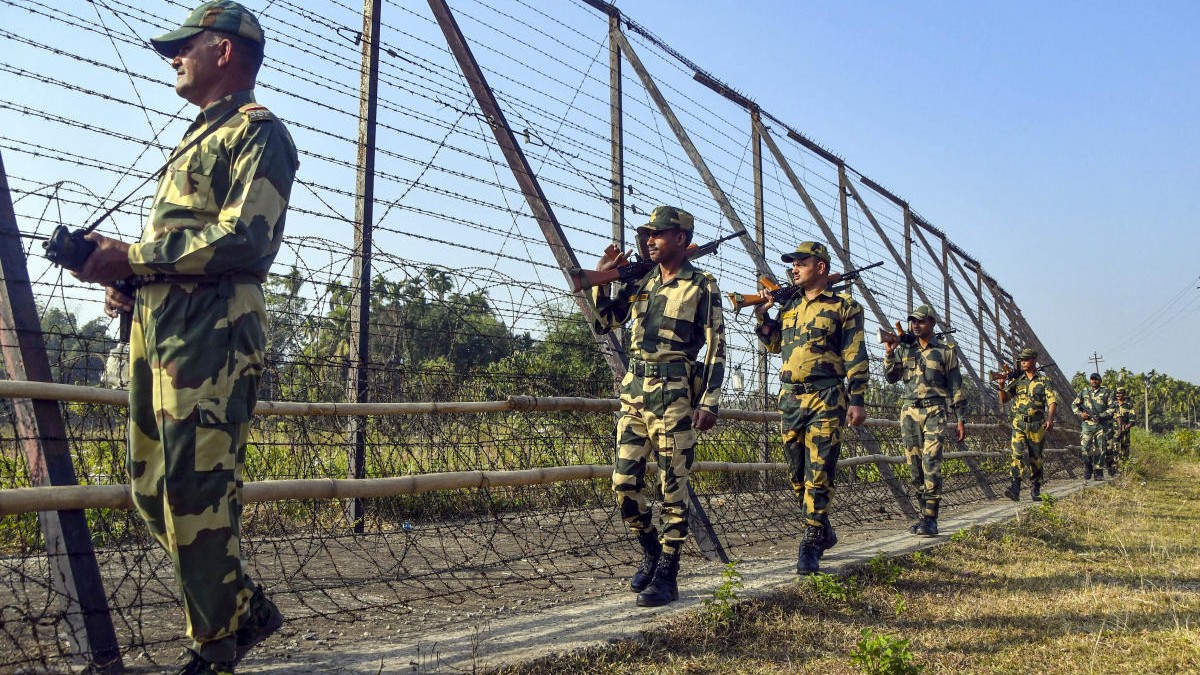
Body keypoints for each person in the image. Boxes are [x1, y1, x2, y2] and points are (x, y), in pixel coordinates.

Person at [74, 2, 299, 672]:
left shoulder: (259, 134)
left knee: (195, 492)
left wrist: (136, 259)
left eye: (186, 46)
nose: (175, 57)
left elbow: (246, 237)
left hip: (213, 337)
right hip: (160, 334)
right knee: (151, 491)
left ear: (224, 52)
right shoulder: (197, 137)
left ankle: (213, 648)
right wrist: (127, 284)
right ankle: (245, 608)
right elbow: (170, 248)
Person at [590, 205, 725, 607]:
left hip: (675, 393)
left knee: (672, 486)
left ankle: (668, 571)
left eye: (659, 234)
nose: (650, 239)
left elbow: (717, 345)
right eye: (648, 234)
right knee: (624, 485)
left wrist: (710, 402)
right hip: (634, 392)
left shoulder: (702, 285)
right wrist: (603, 277)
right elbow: (605, 321)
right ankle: (650, 547)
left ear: (681, 240)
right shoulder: (643, 280)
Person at [753, 241, 868, 574]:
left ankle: (810, 541)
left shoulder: (844, 307)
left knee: (819, 472)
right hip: (790, 398)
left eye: (800, 262)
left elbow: (855, 355)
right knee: (797, 475)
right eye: (792, 264)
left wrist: (857, 399)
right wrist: (763, 316)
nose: (794, 268)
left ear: (820, 267)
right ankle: (823, 527)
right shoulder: (790, 307)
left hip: (826, 397)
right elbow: (774, 344)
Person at [882, 305, 967, 537]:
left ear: (932, 323)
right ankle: (924, 515)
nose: (915, 325)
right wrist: (889, 352)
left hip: (935, 410)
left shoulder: (945, 351)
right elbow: (890, 378)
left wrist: (960, 419)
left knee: (931, 461)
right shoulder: (905, 349)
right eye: (913, 322)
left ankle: (931, 517)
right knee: (915, 466)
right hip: (909, 412)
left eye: (921, 321)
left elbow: (956, 386)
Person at [997, 348, 1057, 501]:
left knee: (1035, 458)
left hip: (1037, 425)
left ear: (1034, 360)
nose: (1023, 362)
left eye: (1026, 359)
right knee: (1016, 454)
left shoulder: (1043, 381)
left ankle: (1036, 488)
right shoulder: (1018, 381)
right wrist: (1001, 386)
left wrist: (1050, 419)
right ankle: (1015, 488)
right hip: (1019, 422)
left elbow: (1051, 401)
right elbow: (1004, 399)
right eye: (1021, 360)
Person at [1072, 373, 1116, 480]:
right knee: (1084, 447)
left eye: (1096, 379)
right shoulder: (1084, 392)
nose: (1094, 381)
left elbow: (1112, 408)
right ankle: (1088, 467)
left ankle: (1098, 471)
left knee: (1100, 448)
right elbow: (1074, 405)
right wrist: (1081, 414)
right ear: (1090, 381)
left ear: (1100, 380)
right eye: (1092, 379)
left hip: (1101, 424)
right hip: (1087, 425)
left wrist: (1101, 416)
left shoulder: (1107, 392)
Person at [1113, 386, 1135, 462]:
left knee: (1125, 448)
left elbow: (1133, 417)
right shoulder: (1113, 404)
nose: (1118, 395)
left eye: (1120, 393)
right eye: (1117, 393)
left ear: (1124, 394)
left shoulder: (1128, 405)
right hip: (1114, 430)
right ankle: (1115, 465)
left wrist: (1129, 424)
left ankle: (1124, 466)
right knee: (1114, 447)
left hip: (1125, 429)